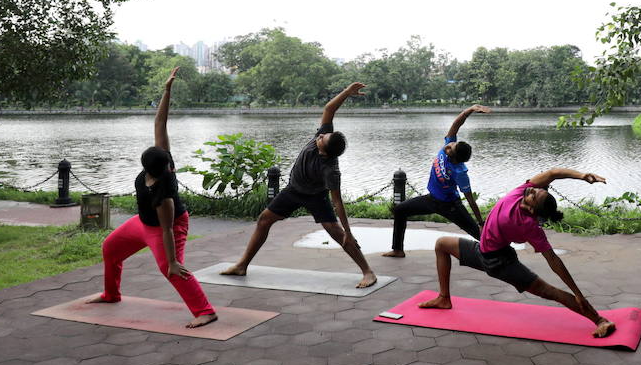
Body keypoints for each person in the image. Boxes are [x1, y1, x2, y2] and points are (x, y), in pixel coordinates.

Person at [87, 67, 217, 327]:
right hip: (142, 224)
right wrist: (167, 90)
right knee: (110, 248)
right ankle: (111, 294)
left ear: (148, 168)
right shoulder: (163, 159)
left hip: (168, 227)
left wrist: (171, 261)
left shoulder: (164, 192)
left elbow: (167, 229)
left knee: (171, 269)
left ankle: (205, 311)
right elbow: (160, 122)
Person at [418, 169, 617, 338]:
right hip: (482, 252)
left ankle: (600, 320)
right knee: (441, 244)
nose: (532, 189)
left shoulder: (529, 226)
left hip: (501, 264)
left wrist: (578, 293)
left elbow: (553, 260)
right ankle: (444, 298)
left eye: (534, 195)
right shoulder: (522, 191)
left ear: (532, 209)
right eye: (536, 190)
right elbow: (553, 173)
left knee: (552, 293)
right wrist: (582, 176)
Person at [220, 82, 377, 288]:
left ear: (324, 152)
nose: (319, 135)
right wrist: (347, 92)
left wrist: (348, 230)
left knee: (338, 233)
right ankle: (242, 265)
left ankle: (368, 272)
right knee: (264, 220)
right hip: (293, 190)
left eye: (322, 138)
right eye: (322, 134)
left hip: (316, 196)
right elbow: (329, 109)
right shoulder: (322, 137)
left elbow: (337, 201)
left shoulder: (330, 170)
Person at [383, 105, 491, 258]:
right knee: (400, 210)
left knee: (476, 233)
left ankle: (500, 252)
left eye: (450, 149)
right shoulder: (450, 145)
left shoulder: (460, 172)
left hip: (451, 206)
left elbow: (470, 199)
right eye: (451, 144)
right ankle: (398, 249)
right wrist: (470, 110)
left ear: (454, 159)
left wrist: (480, 221)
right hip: (431, 199)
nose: (448, 146)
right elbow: (456, 125)